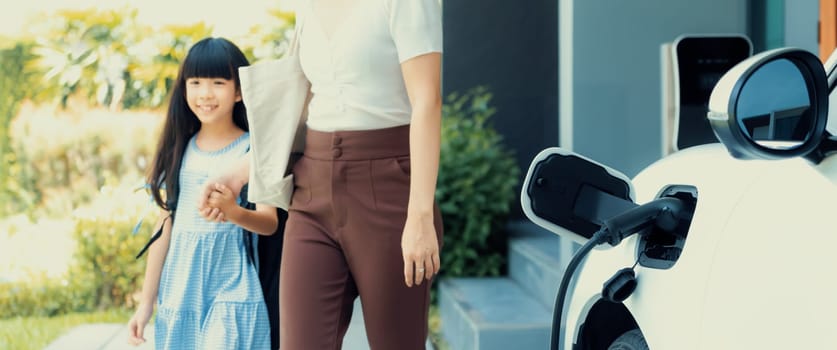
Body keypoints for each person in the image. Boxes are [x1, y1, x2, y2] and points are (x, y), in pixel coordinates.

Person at [199, 0, 444, 348]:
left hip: (388, 190)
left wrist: (419, 215)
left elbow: (428, 101)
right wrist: (242, 170)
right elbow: (305, 104)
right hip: (312, 190)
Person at [127, 37, 278, 350]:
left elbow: (269, 222)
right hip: (182, 288)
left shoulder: (254, 149)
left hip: (232, 285)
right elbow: (164, 226)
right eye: (195, 82)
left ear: (239, 91)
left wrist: (233, 211)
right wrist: (145, 304)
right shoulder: (179, 149)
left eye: (218, 82)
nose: (205, 93)